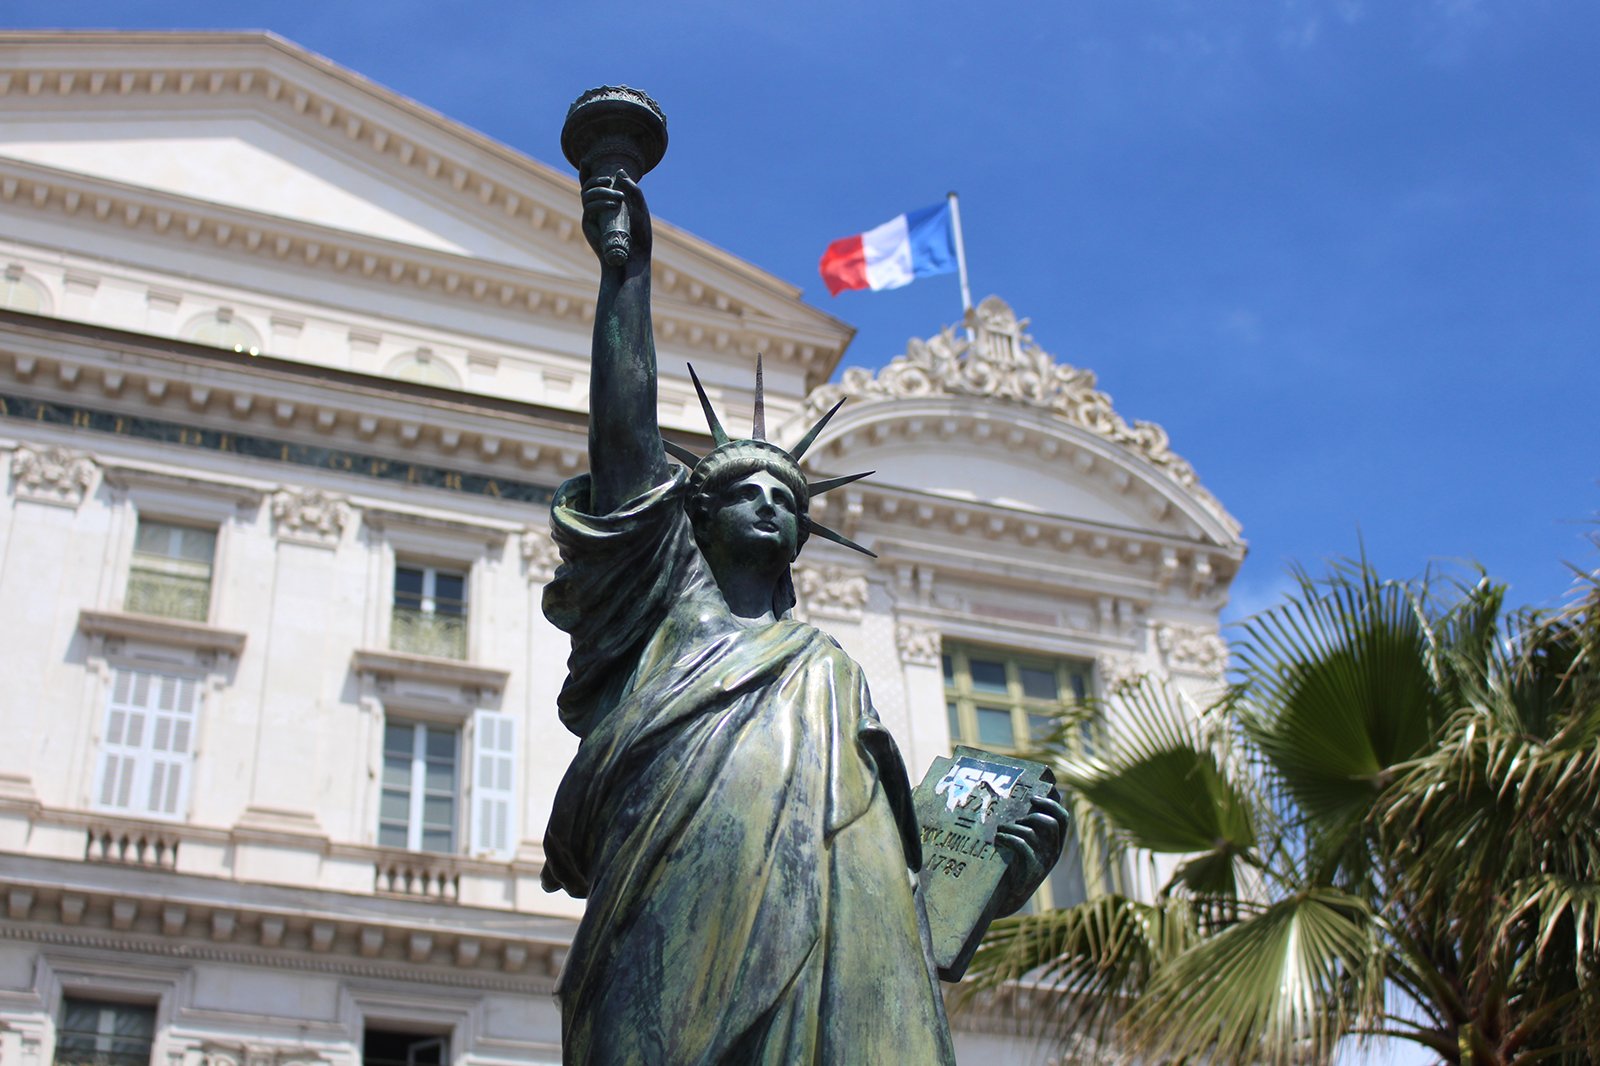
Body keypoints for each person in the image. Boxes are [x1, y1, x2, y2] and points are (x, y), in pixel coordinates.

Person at [539, 172, 1068, 1064]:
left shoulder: (830, 673)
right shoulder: (658, 618)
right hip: (669, 916)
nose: (768, 505)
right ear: (693, 523)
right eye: (740, 490)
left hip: (843, 966)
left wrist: (987, 877)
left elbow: (875, 876)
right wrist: (624, 276)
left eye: (785, 496)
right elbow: (624, 438)